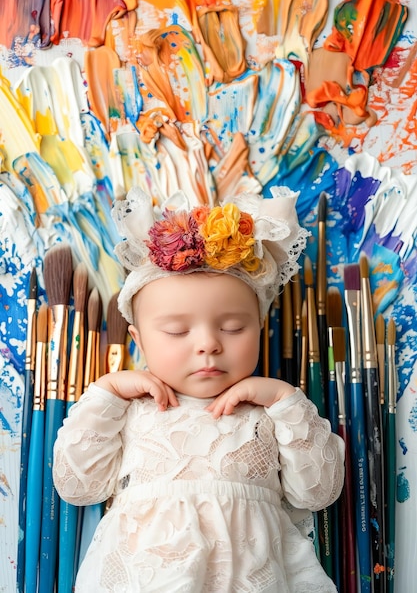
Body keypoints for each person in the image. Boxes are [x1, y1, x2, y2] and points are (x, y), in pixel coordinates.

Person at [53, 185, 345, 592]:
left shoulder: (267, 414)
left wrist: (285, 401)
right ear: (138, 341)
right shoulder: (133, 409)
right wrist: (107, 394)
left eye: (233, 327)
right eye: (177, 330)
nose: (209, 344)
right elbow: (77, 487)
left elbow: (319, 492)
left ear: (260, 329)